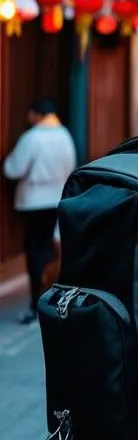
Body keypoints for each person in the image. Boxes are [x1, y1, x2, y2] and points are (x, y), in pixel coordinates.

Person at [2, 98, 77, 324]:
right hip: (56, 198)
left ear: (36, 115)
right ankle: (52, 297)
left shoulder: (32, 137)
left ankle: (36, 302)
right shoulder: (64, 135)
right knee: (48, 245)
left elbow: (13, 169)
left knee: (34, 249)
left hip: (34, 201)